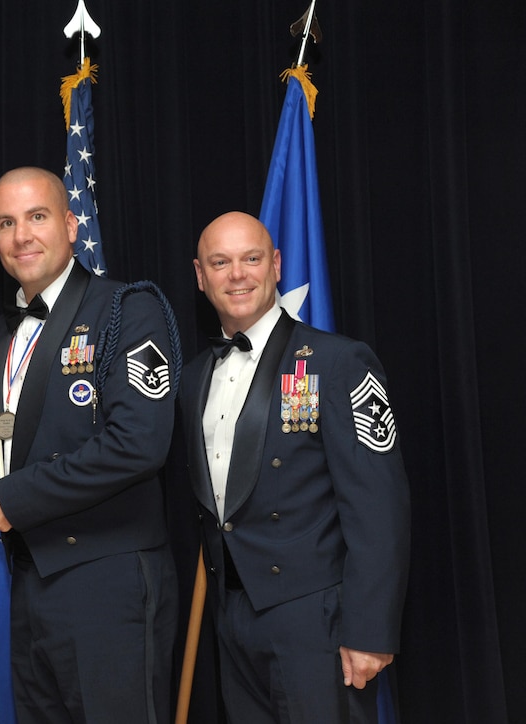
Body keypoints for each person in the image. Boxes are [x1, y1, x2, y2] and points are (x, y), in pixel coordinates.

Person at [0, 167, 180, 723]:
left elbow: (137, 444)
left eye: (36, 217)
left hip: (108, 580)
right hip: (31, 580)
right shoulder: (0, 334)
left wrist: (9, 500)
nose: (21, 236)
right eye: (6, 223)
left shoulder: (128, 309)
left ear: (70, 224)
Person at [180, 211, 410, 722]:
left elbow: (379, 507)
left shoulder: (337, 361)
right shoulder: (194, 376)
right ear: (200, 276)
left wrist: (370, 631)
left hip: (316, 619)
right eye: (221, 262)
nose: (237, 274)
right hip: (232, 616)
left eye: (251, 258)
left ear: (277, 265)